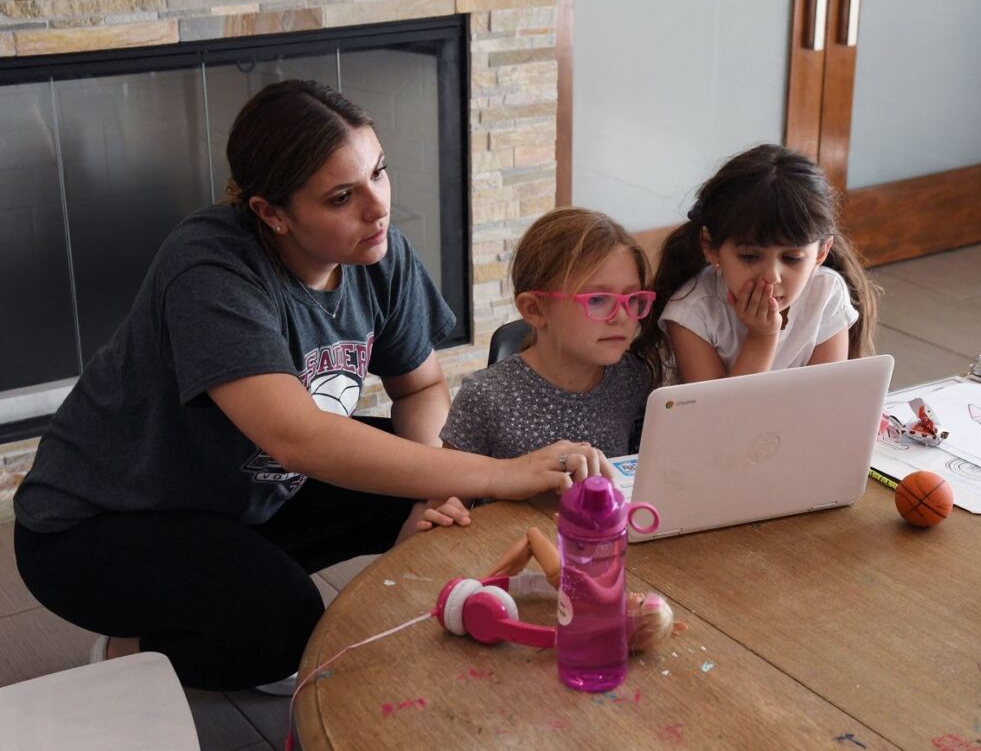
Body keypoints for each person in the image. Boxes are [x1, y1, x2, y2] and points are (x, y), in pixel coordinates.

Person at [12, 80, 605, 694]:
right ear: (272, 213)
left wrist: (435, 493)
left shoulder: (379, 252)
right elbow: (298, 438)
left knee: (447, 493)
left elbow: (419, 387)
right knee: (284, 629)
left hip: (244, 490)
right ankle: (129, 651)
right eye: (342, 196)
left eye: (379, 173)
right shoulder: (209, 266)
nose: (377, 208)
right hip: (101, 524)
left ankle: (256, 586)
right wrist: (496, 472)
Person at [633, 144, 878, 385]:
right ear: (711, 248)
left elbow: (827, 397)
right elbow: (721, 411)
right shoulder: (691, 314)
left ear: (821, 252)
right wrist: (761, 338)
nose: (772, 277)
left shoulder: (825, 292)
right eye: (750, 256)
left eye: (792, 258)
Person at [440, 207, 658, 460]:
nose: (621, 316)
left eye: (632, 298)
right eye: (598, 299)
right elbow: (448, 484)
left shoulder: (633, 379)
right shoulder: (484, 398)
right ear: (534, 309)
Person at [486, 527, 678, 651]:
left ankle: (490, 576)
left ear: (632, 619)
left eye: (642, 602)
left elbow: (589, 583)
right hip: (567, 582)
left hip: (563, 576)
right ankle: (504, 575)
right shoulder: (607, 623)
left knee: (532, 534)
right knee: (530, 546)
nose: (640, 595)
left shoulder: (610, 601)